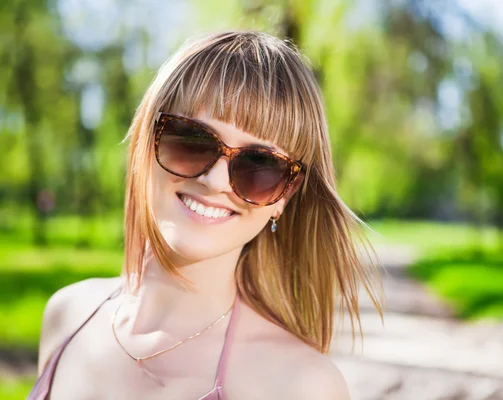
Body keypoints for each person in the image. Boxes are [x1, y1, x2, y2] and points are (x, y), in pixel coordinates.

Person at [29, 30, 383, 400]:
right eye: (192, 139)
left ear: (285, 194)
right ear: (146, 142)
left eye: (260, 164)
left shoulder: (300, 385)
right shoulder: (67, 315)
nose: (215, 181)